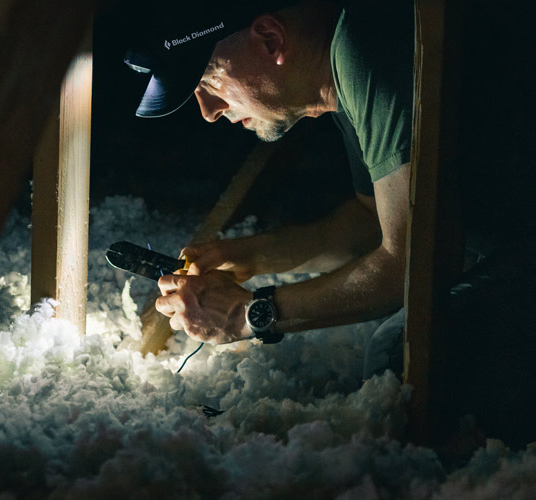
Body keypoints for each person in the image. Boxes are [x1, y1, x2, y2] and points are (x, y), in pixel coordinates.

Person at [122, 0, 412, 377]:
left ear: (271, 40)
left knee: (393, 356)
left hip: (512, 257)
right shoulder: (339, 74)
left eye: (209, 80)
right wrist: (253, 256)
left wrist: (248, 315)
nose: (208, 111)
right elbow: (373, 221)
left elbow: (408, 265)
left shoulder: (365, 51)